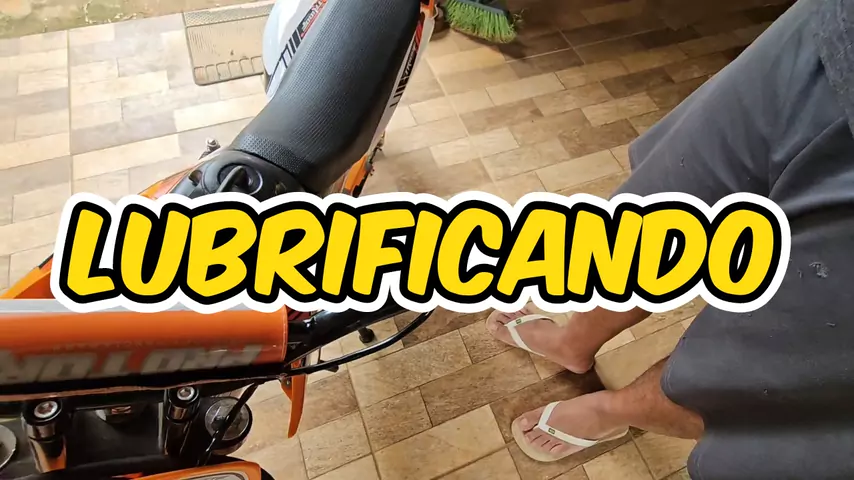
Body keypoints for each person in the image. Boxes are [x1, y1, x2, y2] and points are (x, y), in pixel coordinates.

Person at [488, 0, 854, 477]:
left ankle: (612, 411)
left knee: (774, 367)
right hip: (834, 31)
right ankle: (573, 341)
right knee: (658, 214)